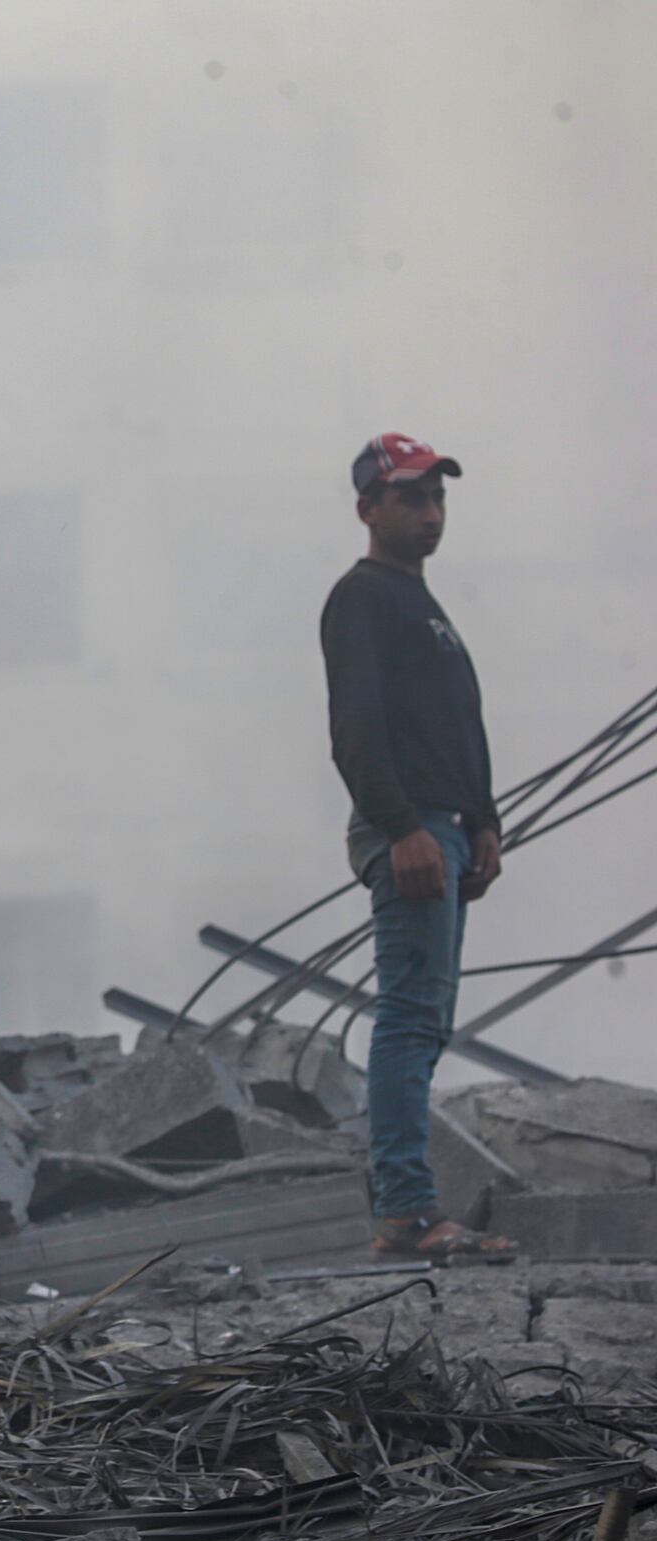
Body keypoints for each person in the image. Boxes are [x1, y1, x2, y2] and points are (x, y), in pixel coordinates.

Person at [321, 433, 517, 1260]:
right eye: (411, 498)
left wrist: (485, 819)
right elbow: (356, 730)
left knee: (427, 1018)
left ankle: (408, 1207)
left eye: (437, 498)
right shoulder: (362, 597)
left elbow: (456, 724)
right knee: (408, 1017)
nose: (430, 513)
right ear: (368, 509)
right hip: (408, 827)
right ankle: (406, 1214)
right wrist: (404, 828)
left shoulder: (422, 605)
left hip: (445, 828)